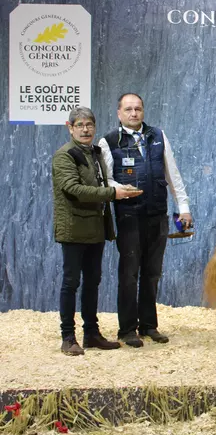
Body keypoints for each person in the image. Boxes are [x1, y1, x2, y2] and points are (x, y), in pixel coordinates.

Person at [99, 93, 192, 347]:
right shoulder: (108, 142)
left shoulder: (158, 136)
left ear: (143, 111)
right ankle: (127, 329)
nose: (133, 113)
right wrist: (119, 188)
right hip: (129, 216)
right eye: (128, 109)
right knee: (129, 273)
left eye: (137, 108)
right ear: (119, 113)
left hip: (157, 215)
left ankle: (149, 325)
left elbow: (173, 174)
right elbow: (104, 180)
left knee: (152, 273)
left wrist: (183, 208)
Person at [52, 107, 142, 355]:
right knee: (71, 282)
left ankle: (91, 333)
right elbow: (74, 189)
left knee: (93, 282)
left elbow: (103, 182)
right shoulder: (64, 156)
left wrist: (120, 188)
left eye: (89, 124)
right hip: (73, 228)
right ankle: (68, 337)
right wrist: (113, 193)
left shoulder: (96, 152)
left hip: (96, 228)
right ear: (69, 128)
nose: (85, 129)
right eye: (79, 125)